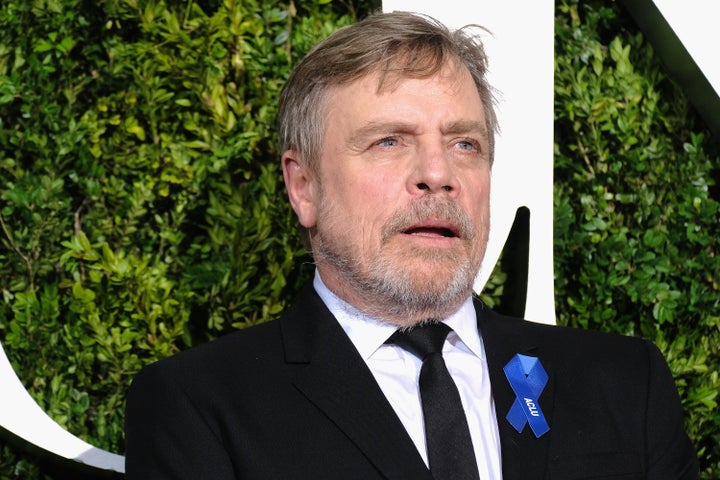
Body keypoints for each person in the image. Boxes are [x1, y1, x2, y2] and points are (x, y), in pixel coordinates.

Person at [124, 11, 699, 479]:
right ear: (304, 187)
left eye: (465, 144)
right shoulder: (200, 407)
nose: (437, 173)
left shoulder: (625, 383)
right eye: (389, 141)